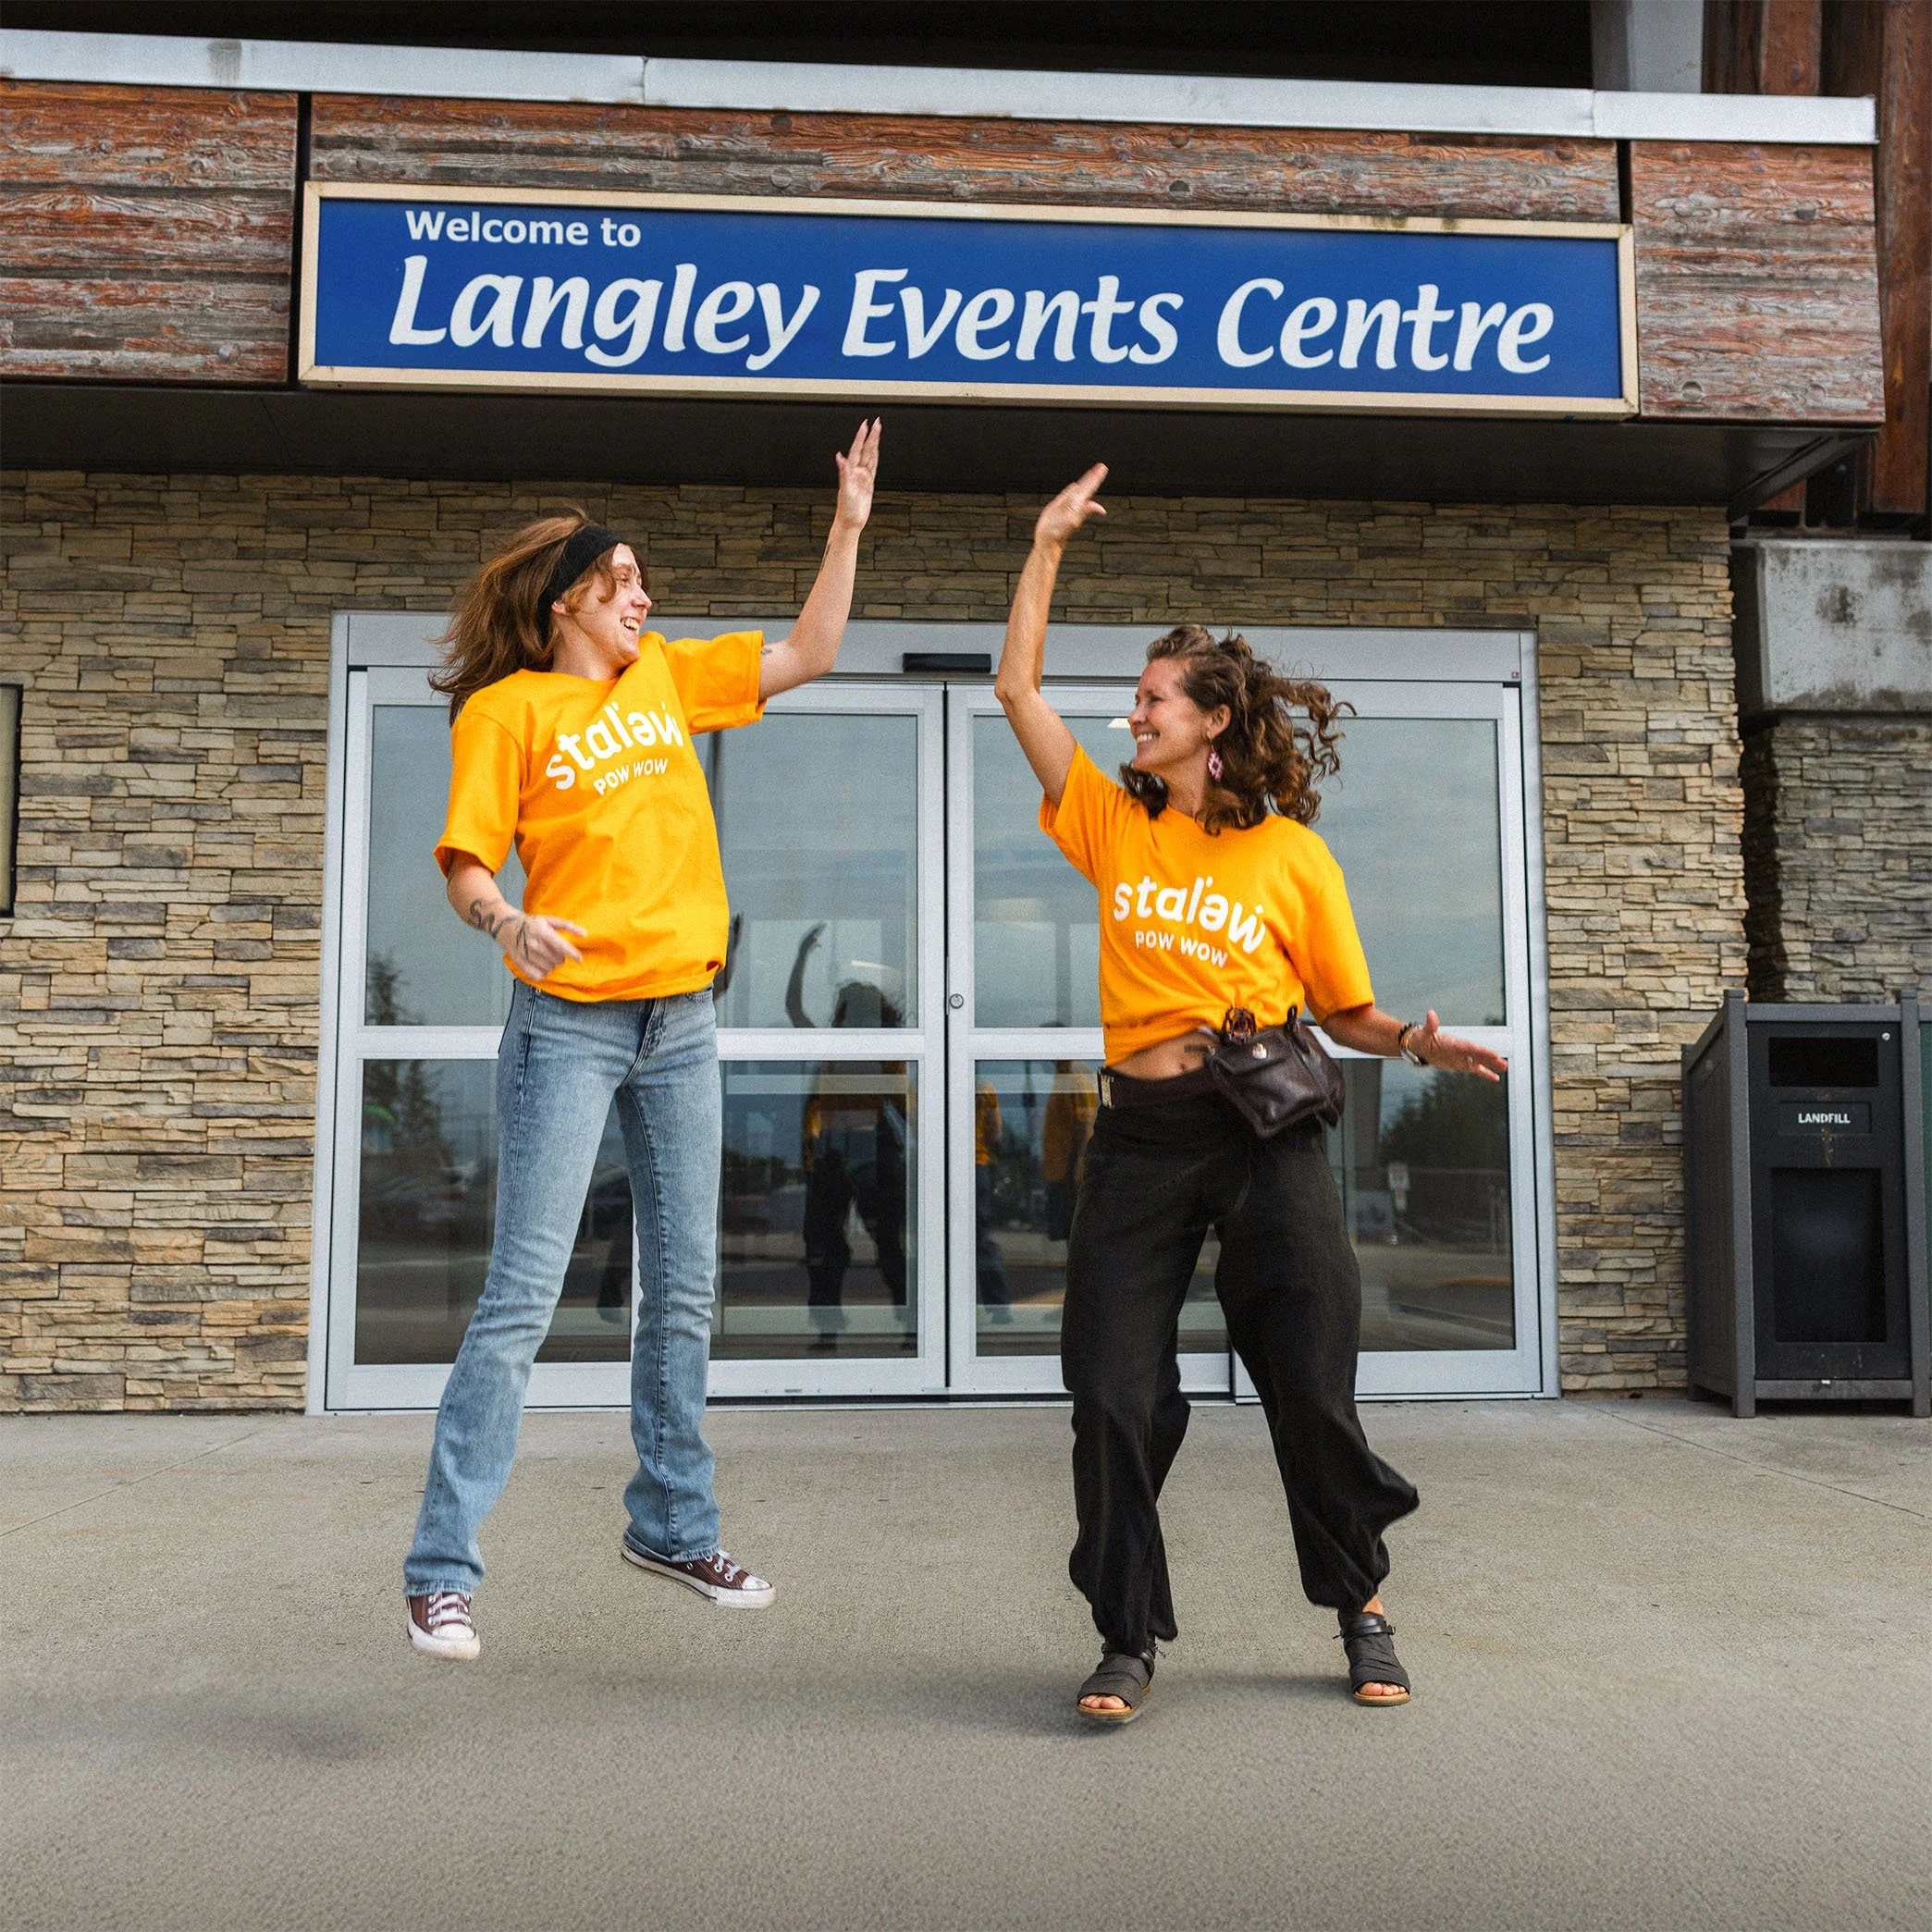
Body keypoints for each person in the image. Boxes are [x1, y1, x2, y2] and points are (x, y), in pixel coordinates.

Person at [994, 463, 1507, 1721]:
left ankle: (1361, 1606)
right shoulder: (1111, 825)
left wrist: (1421, 1045)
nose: (1134, 716)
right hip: (1145, 1139)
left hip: (1270, 1134)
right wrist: (1046, 544)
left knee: (1308, 1386)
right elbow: (1017, 688)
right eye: (1134, 700)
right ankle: (1127, 1634)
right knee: (1112, 1391)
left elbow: (1345, 1012)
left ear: (1212, 721)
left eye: (1154, 700)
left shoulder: (1292, 856)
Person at [401, 421, 882, 1660]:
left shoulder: (666, 677)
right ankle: (441, 1569)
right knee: (520, 1298)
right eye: (624, 587)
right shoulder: (508, 714)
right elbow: (465, 865)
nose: (644, 600)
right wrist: (506, 919)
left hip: (681, 1018)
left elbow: (812, 650)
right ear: (571, 602)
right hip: (567, 1021)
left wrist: (846, 526)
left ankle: (672, 1522)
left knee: (687, 1293)